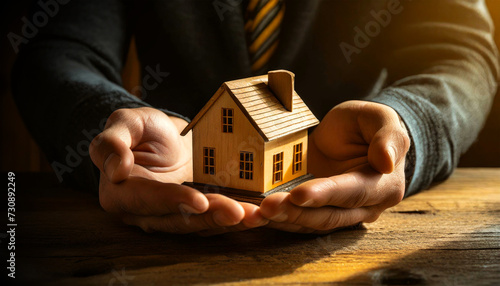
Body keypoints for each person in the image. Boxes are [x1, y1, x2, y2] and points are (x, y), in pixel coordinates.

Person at [12, 0, 498, 235]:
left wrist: (404, 126)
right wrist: (116, 128)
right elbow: (59, 49)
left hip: (351, 181)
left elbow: (459, 51)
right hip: (166, 187)